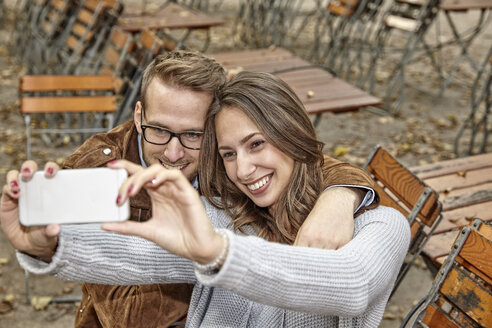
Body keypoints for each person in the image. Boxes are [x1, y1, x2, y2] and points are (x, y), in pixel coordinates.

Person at [1, 52, 379, 327]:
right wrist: (46, 245)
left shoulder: (227, 166)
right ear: (138, 116)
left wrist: (341, 194)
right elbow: (130, 279)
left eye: (193, 135)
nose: (173, 152)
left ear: (214, 130)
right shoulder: (99, 169)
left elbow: (302, 162)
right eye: (160, 129)